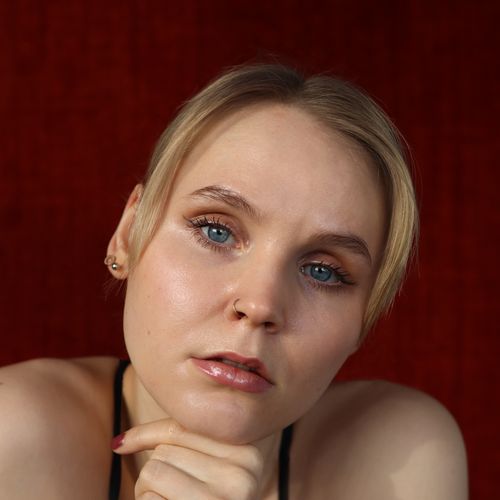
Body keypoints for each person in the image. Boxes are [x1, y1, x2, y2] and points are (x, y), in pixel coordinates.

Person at [0, 63, 467, 499]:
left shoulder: (403, 457)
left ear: (366, 317)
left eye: (322, 271)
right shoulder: (14, 433)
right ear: (128, 235)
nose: (261, 304)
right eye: (216, 231)